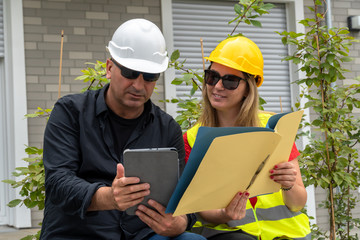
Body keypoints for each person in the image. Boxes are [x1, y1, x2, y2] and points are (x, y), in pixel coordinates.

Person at [40, 18, 206, 240]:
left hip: (142, 234)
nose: (138, 85)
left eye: (149, 77)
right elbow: (58, 182)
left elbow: (184, 195)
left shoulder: (167, 128)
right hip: (78, 232)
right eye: (129, 72)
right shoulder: (71, 113)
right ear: (109, 68)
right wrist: (109, 197)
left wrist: (180, 222)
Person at [183, 36, 311, 240]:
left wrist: (288, 184)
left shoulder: (274, 127)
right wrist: (224, 215)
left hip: (288, 234)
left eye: (230, 81)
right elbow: (199, 209)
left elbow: (297, 203)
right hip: (228, 234)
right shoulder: (192, 139)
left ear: (248, 87)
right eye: (212, 76)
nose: (217, 86)